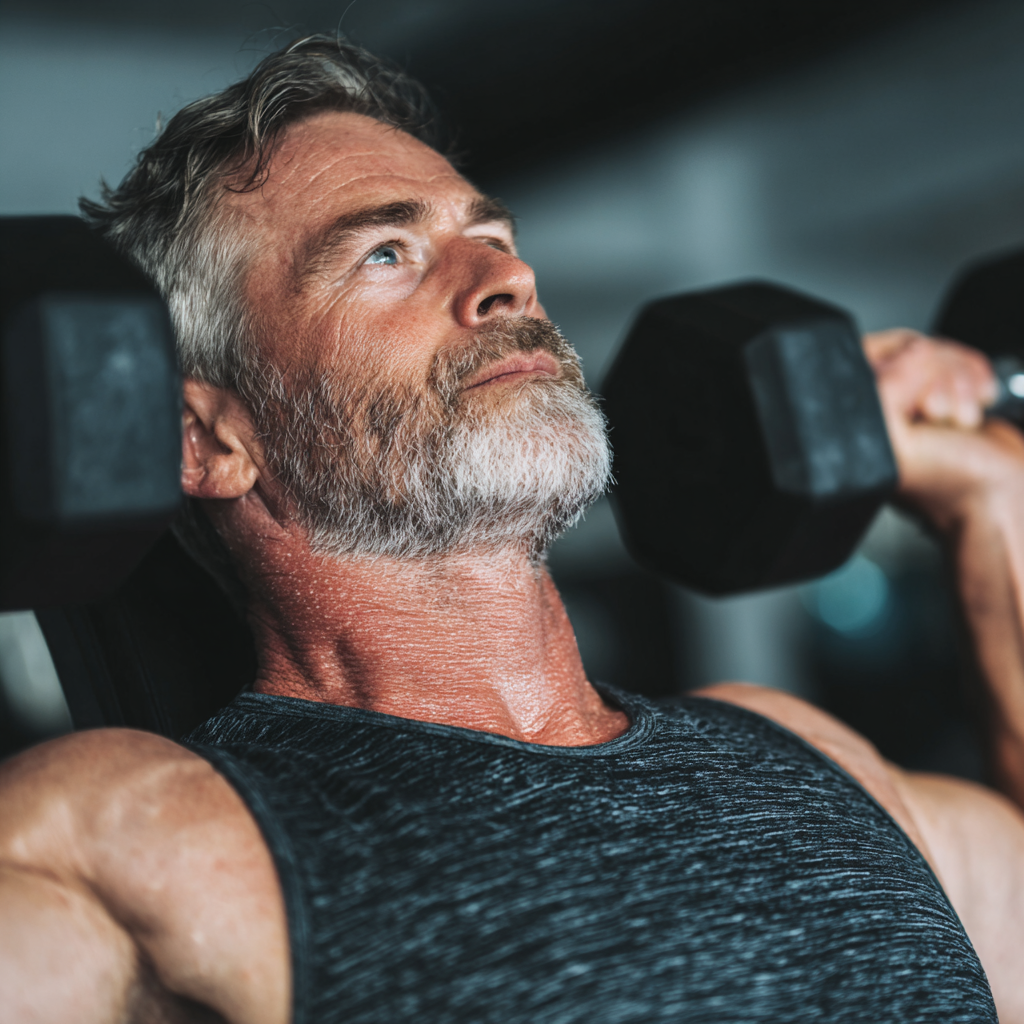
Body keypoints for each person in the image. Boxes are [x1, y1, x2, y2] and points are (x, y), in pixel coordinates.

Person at [2, 35, 1023, 1023]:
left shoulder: (811, 758)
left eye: (491, 237)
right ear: (208, 438)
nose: (508, 282)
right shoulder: (141, 836)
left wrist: (989, 504)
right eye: (388, 252)